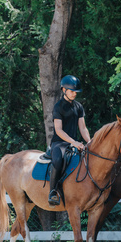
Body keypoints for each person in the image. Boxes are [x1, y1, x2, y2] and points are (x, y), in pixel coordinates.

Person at [48, 75, 91, 206]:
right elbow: (59, 130)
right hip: (59, 143)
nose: (74, 94)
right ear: (63, 90)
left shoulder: (78, 107)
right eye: (71, 91)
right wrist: (74, 142)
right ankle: (53, 192)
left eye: (75, 92)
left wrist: (89, 142)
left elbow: (83, 128)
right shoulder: (58, 107)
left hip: (74, 143)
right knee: (57, 160)